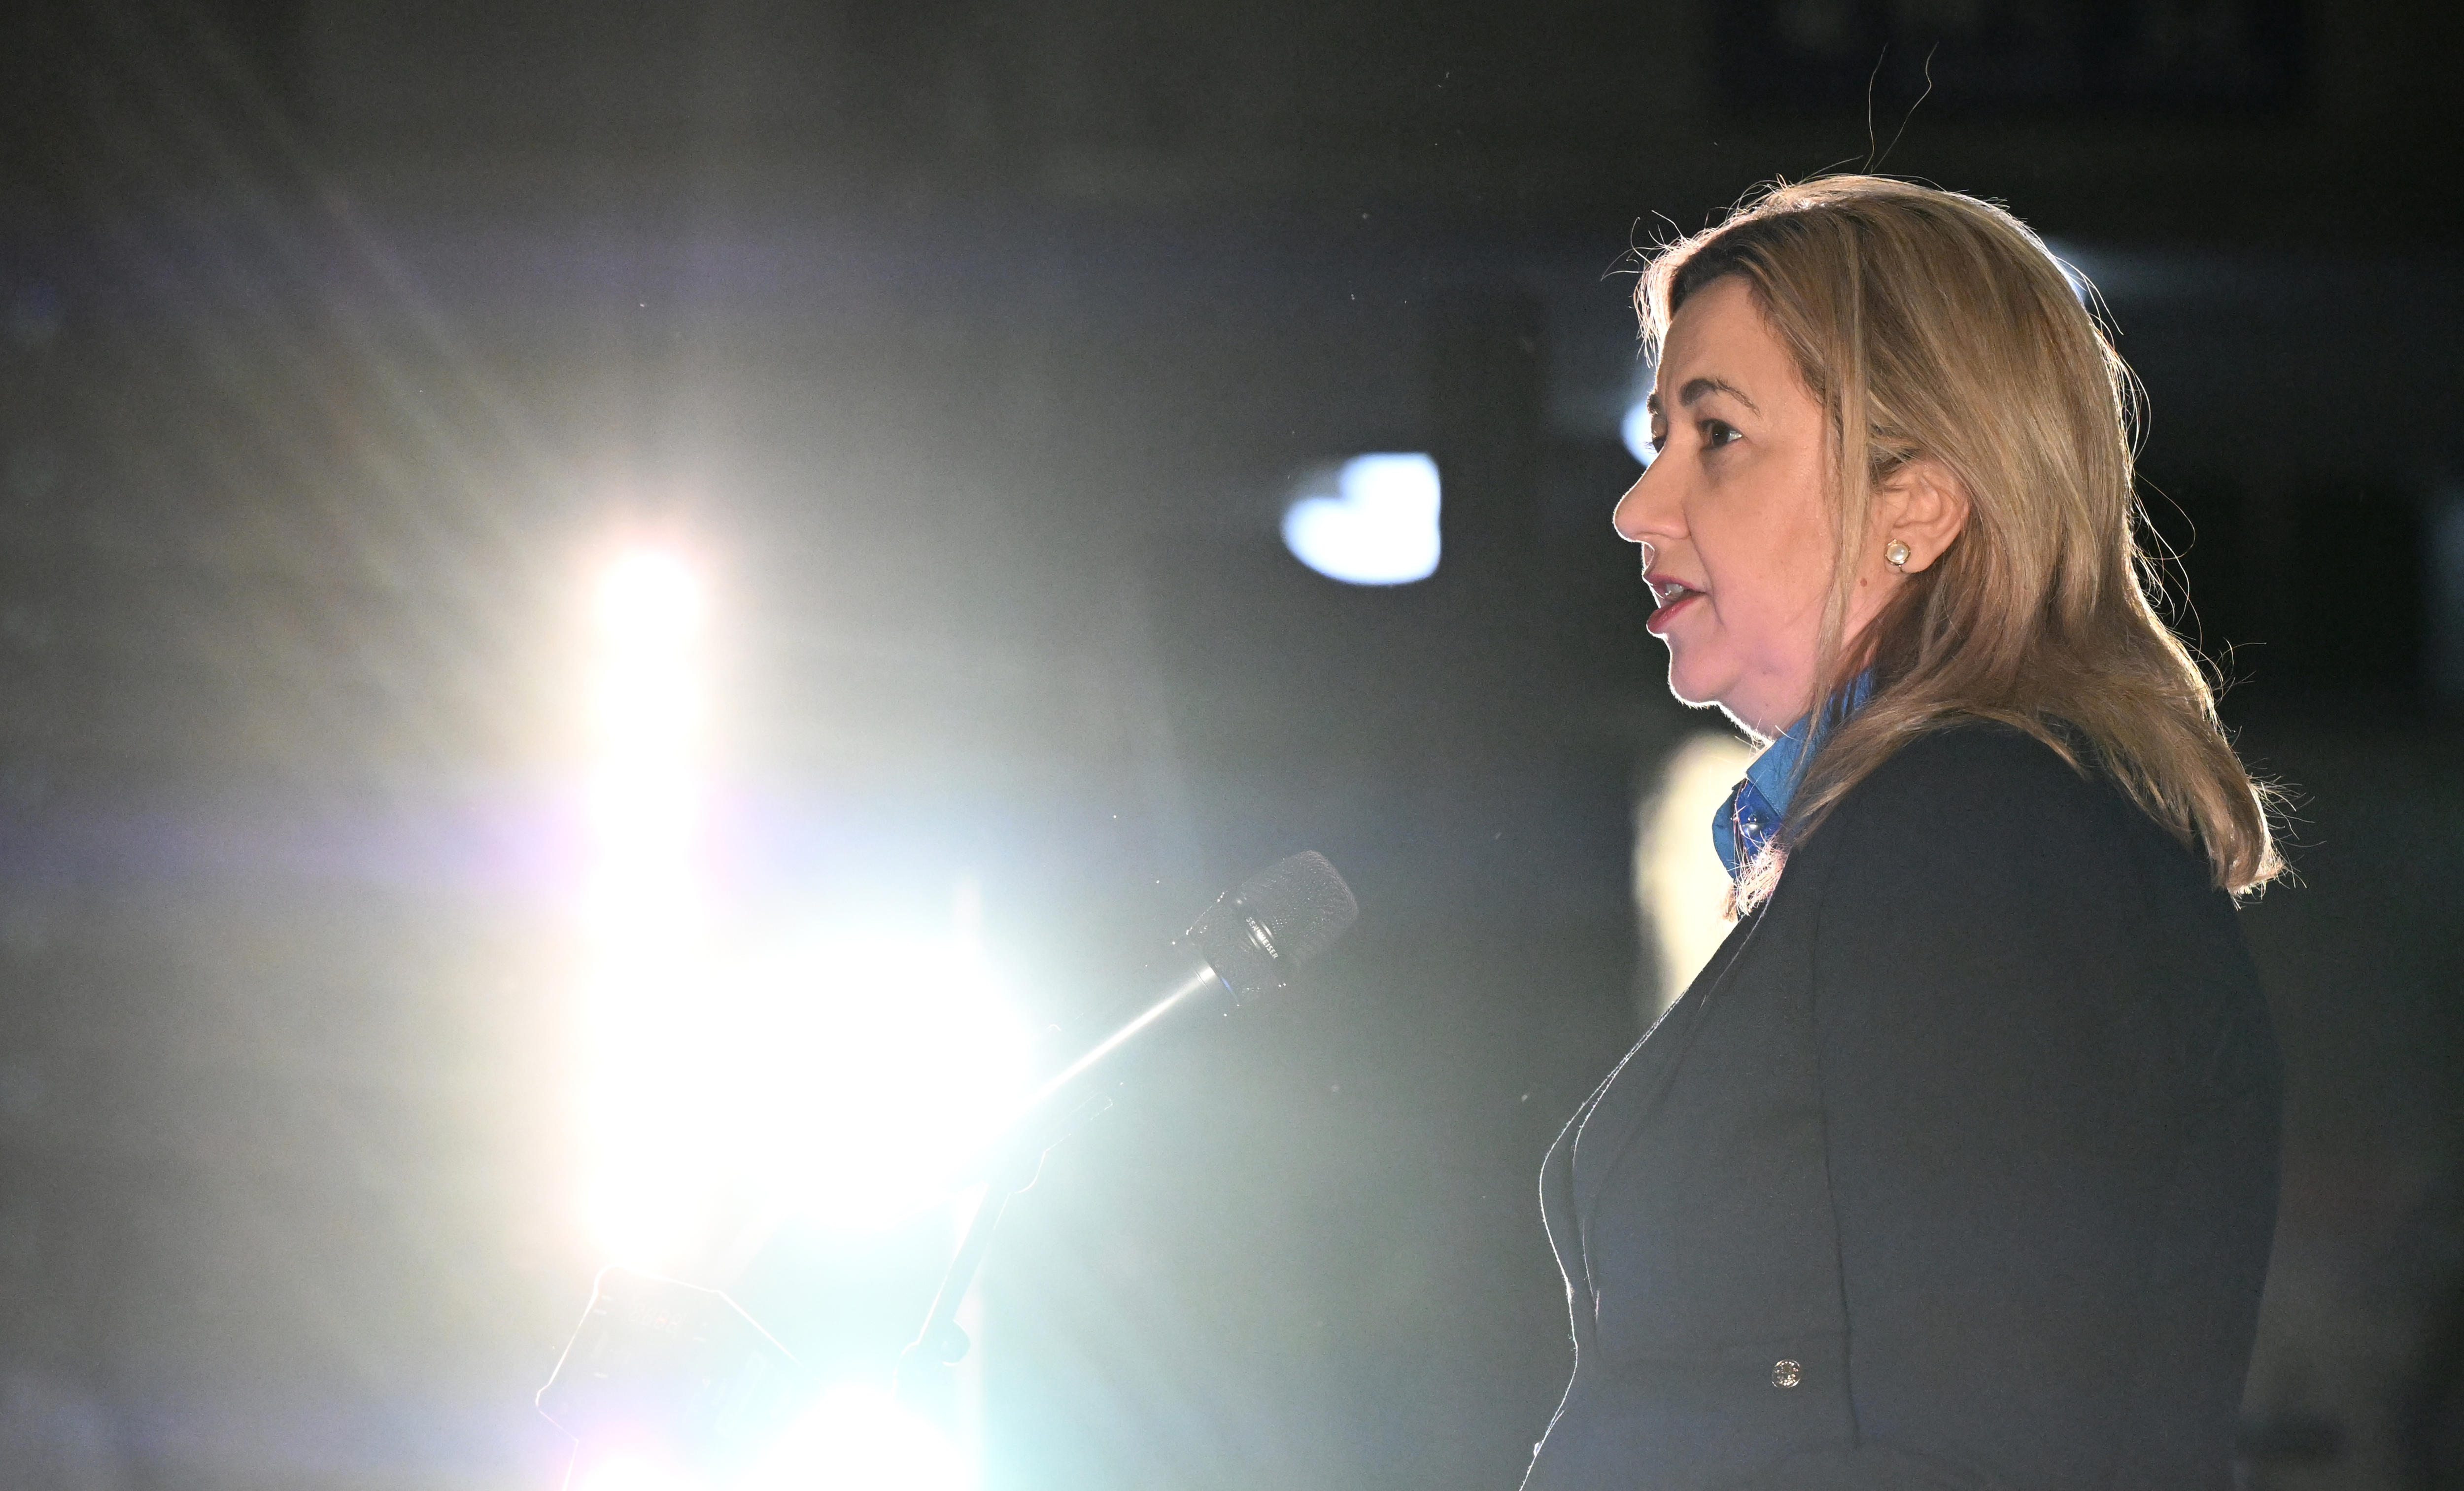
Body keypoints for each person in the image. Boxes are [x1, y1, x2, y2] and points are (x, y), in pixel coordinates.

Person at [1521, 176, 2283, 1491]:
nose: (1638, 506)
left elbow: (1987, 1444)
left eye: (1716, 433)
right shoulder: (1942, 829)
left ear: (1916, 505)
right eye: (1657, 436)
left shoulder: (1980, 836)